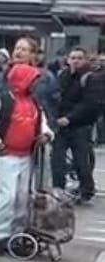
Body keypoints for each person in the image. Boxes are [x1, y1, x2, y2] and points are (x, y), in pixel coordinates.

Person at [0, 63, 53, 254]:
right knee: (6, 197)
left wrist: (47, 136)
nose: (36, 83)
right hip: (6, 157)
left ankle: (17, 235)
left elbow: (43, 125)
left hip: (27, 156)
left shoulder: (34, 103)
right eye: (33, 80)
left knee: (22, 198)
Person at [52, 48, 102, 202]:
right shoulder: (63, 75)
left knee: (81, 161)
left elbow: (90, 103)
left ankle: (87, 189)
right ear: (68, 60)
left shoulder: (91, 78)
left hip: (81, 125)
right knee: (57, 158)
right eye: (73, 58)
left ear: (85, 60)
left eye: (79, 58)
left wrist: (70, 117)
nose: (76, 61)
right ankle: (58, 188)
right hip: (61, 124)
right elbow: (57, 97)